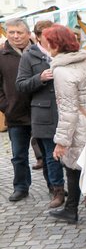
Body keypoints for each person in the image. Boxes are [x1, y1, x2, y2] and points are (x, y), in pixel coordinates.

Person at [43, 25, 86, 224]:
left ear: (56, 45)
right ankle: (72, 210)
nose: (45, 46)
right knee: (75, 169)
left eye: (48, 43)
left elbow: (68, 110)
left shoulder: (62, 71)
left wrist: (61, 142)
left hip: (79, 128)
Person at [15, 20, 66, 208]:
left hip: (64, 110)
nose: (52, 38)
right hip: (43, 113)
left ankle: (79, 190)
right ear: (37, 37)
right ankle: (57, 190)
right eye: (47, 35)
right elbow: (20, 85)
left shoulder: (62, 52)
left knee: (71, 153)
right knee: (51, 155)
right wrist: (40, 78)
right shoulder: (29, 56)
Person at [0, 19, 33, 202]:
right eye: (11, 32)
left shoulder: (39, 52)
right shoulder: (1, 54)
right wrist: (6, 105)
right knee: (18, 155)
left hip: (39, 112)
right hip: (15, 114)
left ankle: (55, 187)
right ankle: (21, 187)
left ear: (28, 33)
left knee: (47, 154)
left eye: (19, 32)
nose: (15, 36)